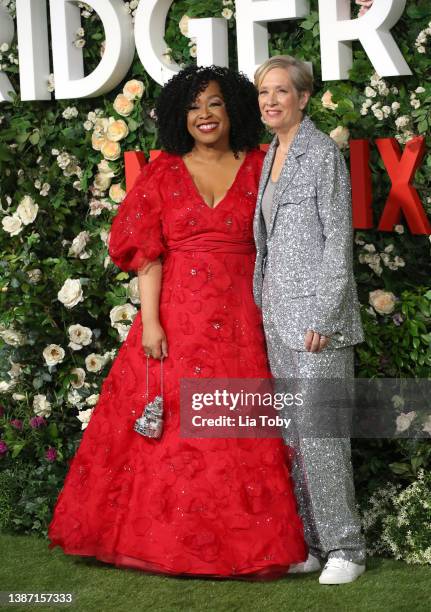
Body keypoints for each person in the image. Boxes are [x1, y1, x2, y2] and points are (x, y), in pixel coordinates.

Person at [47, 65, 306, 578]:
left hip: (245, 318)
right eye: (192, 107)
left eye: (213, 103)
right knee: (171, 431)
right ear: (177, 117)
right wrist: (150, 324)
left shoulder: (263, 165)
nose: (203, 115)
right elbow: (148, 254)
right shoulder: (164, 172)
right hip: (177, 318)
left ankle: (245, 548)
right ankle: (164, 544)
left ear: (232, 107)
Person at [252, 55, 366, 584]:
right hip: (277, 317)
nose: (271, 101)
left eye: (280, 91)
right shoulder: (272, 152)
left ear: (302, 97)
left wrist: (324, 312)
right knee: (296, 434)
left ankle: (348, 548)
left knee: (322, 434)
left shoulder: (321, 152)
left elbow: (338, 238)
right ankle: (315, 544)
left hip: (318, 323)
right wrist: (262, 301)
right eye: (263, 93)